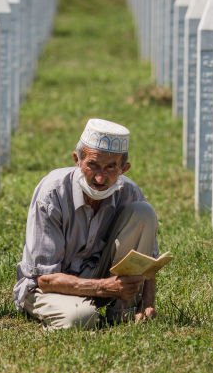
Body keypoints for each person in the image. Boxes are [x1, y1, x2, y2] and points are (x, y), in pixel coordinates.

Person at [12, 118, 160, 330]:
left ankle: (123, 311)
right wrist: (104, 287)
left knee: (144, 211)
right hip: (48, 289)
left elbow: (147, 263)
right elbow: (44, 279)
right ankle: (81, 310)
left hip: (106, 283)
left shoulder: (128, 192)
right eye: (92, 165)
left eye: (110, 167)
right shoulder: (53, 193)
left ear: (124, 169)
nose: (100, 178)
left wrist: (148, 304)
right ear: (77, 160)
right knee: (81, 318)